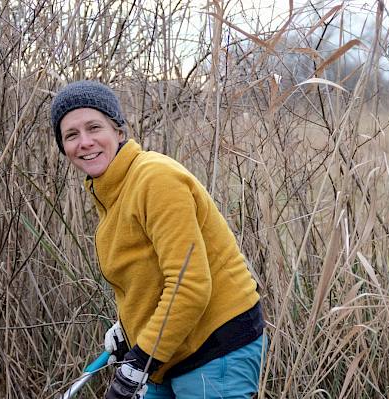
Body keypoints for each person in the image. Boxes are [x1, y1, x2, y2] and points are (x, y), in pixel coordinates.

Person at [50, 80, 266, 399]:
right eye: (71, 135)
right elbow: (149, 274)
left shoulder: (156, 179)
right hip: (168, 353)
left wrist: (138, 361)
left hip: (215, 348)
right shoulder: (111, 192)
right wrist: (127, 328)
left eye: (94, 127)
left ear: (118, 131)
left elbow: (189, 285)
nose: (85, 142)